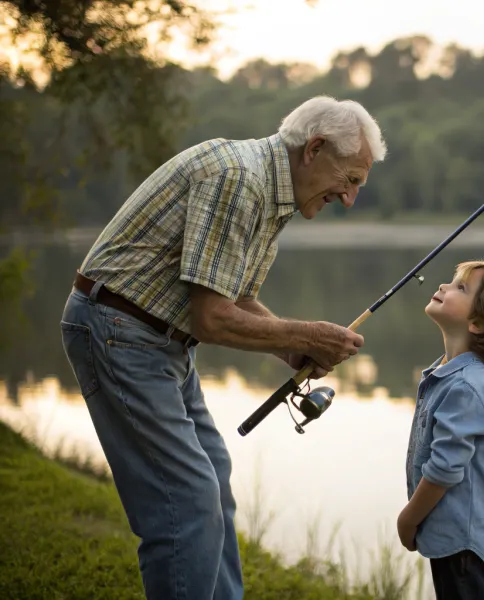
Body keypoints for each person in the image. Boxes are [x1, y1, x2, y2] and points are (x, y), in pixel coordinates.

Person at [58, 95, 387, 600]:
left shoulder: (275, 193)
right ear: (314, 149)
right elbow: (212, 318)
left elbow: (236, 298)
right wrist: (306, 335)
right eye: (350, 180)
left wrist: (291, 352)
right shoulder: (240, 177)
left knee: (213, 476)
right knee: (185, 502)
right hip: (119, 331)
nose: (349, 199)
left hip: (160, 340)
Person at [397, 259, 484, 600]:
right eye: (452, 281)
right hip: (451, 532)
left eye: (461, 287)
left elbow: (445, 469)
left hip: (464, 537)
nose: (445, 287)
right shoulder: (450, 372)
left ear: (476, 323)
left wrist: (408, 518)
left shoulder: (467, 386)